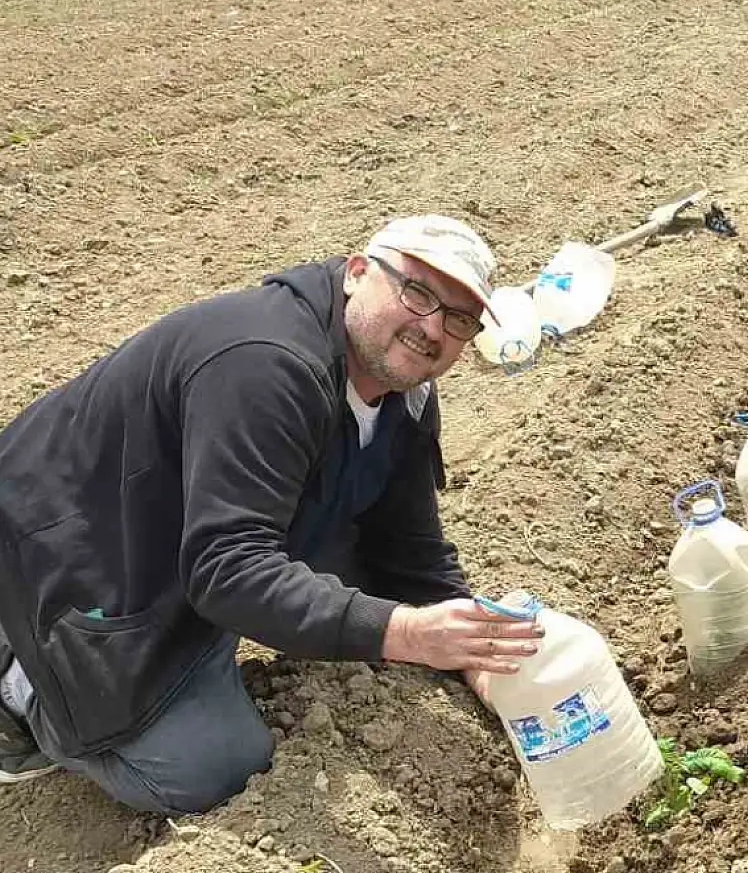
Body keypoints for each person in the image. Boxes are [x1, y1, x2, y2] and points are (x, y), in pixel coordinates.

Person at [0, 215, 543, 815]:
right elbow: (227, 570)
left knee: (343, 567)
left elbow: (407, 551)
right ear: (357, 272)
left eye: (459, 319)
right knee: (211, 765)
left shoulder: (404, 390)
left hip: (185, 535)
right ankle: (20, 683)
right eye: (417, 292)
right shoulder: (266, 363)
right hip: (66, 547)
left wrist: (474, 657)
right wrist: (408, 634)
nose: (431, 328)